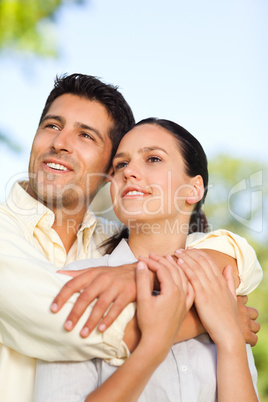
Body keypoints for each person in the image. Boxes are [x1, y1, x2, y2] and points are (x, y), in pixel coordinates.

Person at [0, 75, 261, 402]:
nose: (60, 143)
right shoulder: (9, 236)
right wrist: (215, 321)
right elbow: (74, 328)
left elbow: (237, 253)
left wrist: (146, 271)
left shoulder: (107, 240)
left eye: (85, 135)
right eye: (52, 126)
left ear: (105, 168)